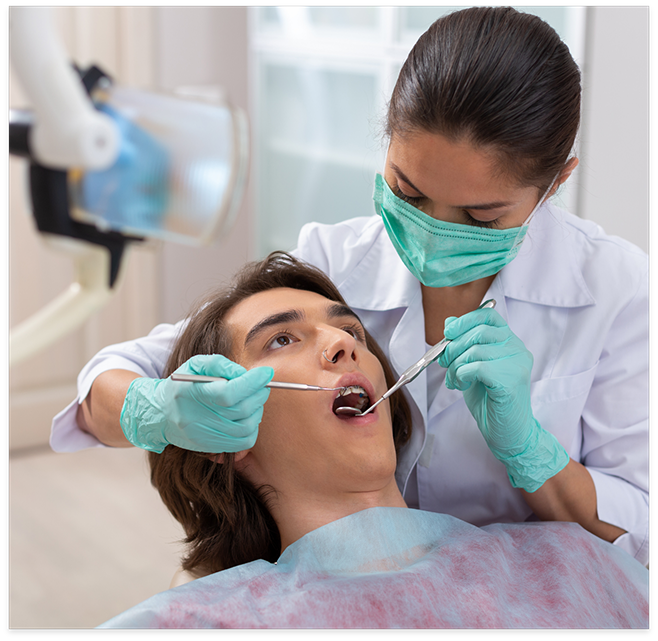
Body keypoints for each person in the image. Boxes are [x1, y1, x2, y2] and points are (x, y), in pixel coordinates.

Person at [51, 7, 648, 566]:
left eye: (481, 218)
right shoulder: (327, 264)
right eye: (409, 192)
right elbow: (117, 379)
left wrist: (532, 452)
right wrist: (154, 411)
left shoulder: (617, 290)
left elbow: (638, 534)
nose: (435, 229)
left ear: (558, 181)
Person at [99, 252, 648, 629]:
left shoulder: (568, 558)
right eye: (282, 338)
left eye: (353, 331)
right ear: (225, 432)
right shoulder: (207, 617)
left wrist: (533, 447)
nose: (342, 342)